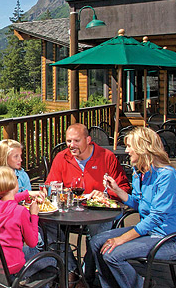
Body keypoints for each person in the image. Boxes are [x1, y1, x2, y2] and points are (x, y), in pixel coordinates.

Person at [91, 127, 176, 288]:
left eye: (130, 146)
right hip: (148, 233)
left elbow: (156, 217)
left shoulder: (167, 176)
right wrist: (116, 190)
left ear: (143, 148)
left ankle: (141, 284)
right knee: (96, 241)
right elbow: (139, 204)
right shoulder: (140, 173)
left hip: (169, 240)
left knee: (112, 254)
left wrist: (121, 239)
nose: (127, 150)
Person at [45, 123, 132, 287]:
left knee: (98, 230)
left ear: (88, 140)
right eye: (69, 141)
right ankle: (72, 269)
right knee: (45, 223)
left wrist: (105, 195)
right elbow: (51, 186)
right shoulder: (62, 157)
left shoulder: (106, 157)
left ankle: (87, 273)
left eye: (76, 141)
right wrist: (60, 192)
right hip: (70, 210)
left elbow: (124, 189)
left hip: (100, 212)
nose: (71, 145)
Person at [0, 166, 55, 277]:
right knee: (53, 260)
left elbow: (8, 199)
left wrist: (27, 194)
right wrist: (34, 215)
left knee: (32, 253)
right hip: (13, 267)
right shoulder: (20, 212)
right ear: (14, 184)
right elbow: (32, 242)